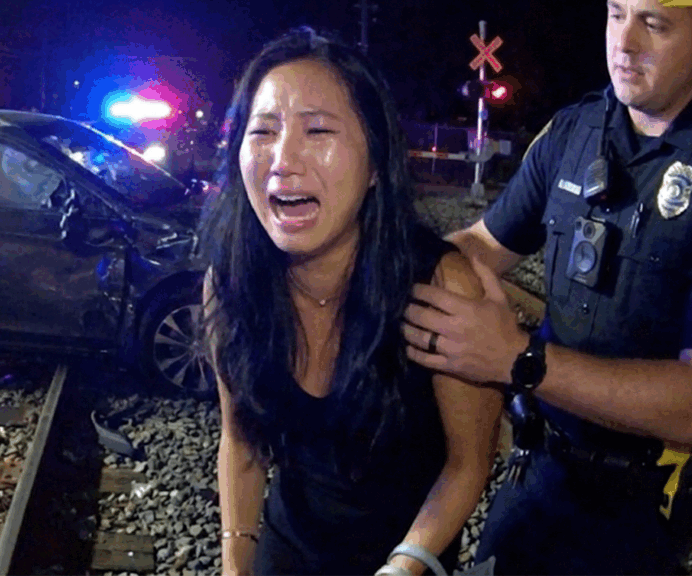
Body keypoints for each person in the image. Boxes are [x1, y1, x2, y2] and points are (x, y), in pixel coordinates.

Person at [198, 27, 502, 576]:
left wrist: (407, 563)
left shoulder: (441, 285)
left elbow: (468, 463)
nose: (282, 159)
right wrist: (236, 559)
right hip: (286, 550)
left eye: (318, 131)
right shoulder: (232, 281)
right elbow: (240, 440)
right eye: (262, 131)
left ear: (376, 166)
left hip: (405, 558)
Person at [401, 0, 692, 572]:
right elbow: (482, 246)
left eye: (653, 23)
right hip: (538, 470)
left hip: (649, 512)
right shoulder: (573, 131)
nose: (624, 42)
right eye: (614, 14)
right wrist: (378, 271)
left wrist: (521, 360)